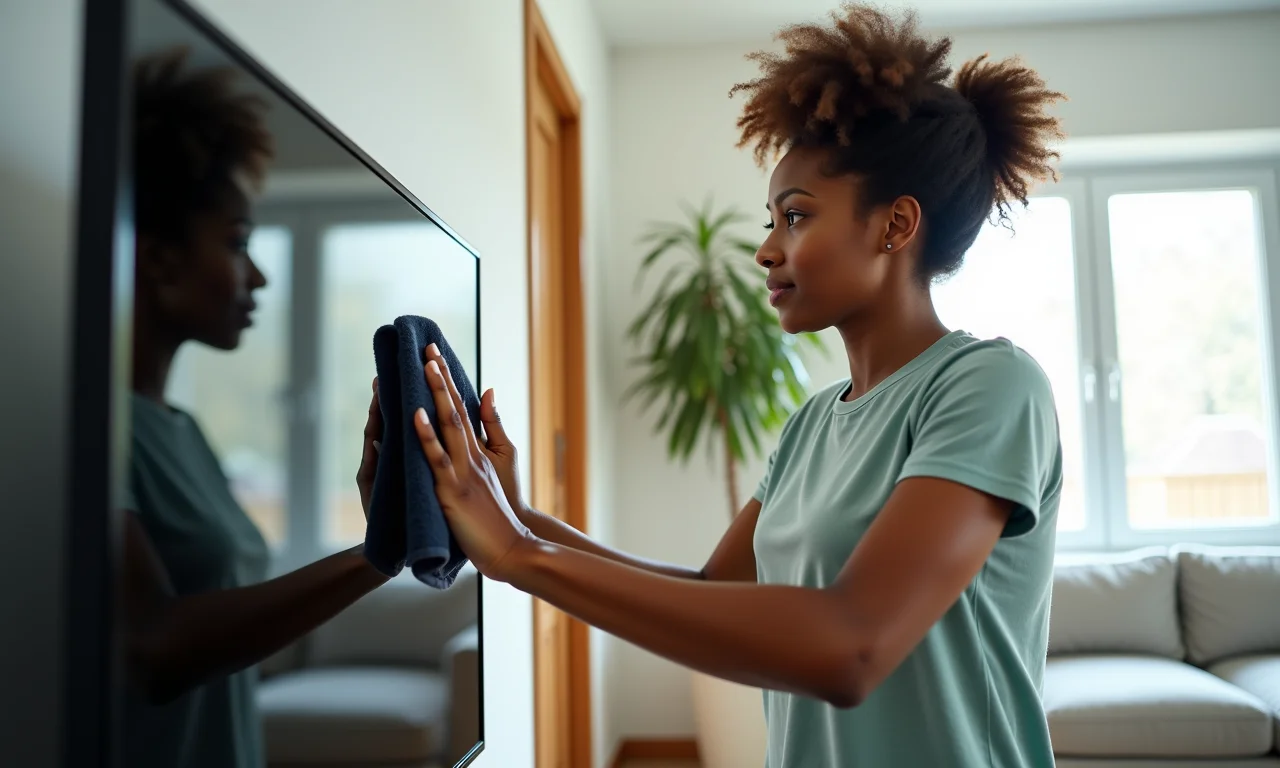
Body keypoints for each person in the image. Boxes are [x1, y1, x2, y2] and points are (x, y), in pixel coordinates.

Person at [411, 4, 1066, 766]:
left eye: (795, 216)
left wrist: (524, 557)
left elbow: (851, 647)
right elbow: (713, 594)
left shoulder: (990, 386)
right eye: (771, 219)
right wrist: (520, 518)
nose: (765, 250)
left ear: (894, 226)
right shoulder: (813, 424)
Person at [120, 47, 389, 768]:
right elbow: (154, 646)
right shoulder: (92, 434)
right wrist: (380, 549)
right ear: (158, 258)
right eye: (238, 243)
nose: (260, 274)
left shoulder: (182, 431)